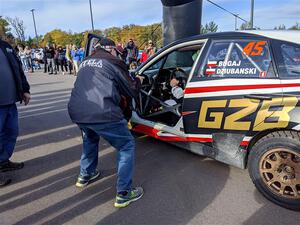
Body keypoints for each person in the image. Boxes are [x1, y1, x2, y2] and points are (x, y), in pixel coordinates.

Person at [68, 37, 144, 208]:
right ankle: (124, 193)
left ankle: (85, 175)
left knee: (90, 138)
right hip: (102, 112)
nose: (118, 53)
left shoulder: (85, 61)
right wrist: (139, 79)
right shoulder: (113, 61)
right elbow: (131, 89)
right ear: (110, 49)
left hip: (77, 111)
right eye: (117, 51)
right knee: (126, 145)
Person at [0, 38, 31, 186]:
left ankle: (3, 161)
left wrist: (25, 89)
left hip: (10, 101)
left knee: (12, 132)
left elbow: (18, 68)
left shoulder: (6, 46)